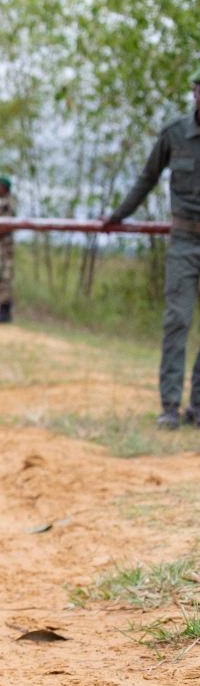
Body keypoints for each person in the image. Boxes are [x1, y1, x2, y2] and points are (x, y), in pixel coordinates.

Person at [103, 69, 200, 429]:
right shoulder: (175, 134)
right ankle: (170, 406)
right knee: (177, 321)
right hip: (185, 242)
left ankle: (198, 406)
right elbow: (147, 178)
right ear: (195, 95)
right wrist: (116, 216)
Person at [0, 177, 17, 324]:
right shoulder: (2, 204)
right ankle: (1, 310)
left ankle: (4, 311)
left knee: (4, 278)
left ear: (4, 188)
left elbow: (6, 226)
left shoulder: (7, 204)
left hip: (4, 248)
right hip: (0, 247)